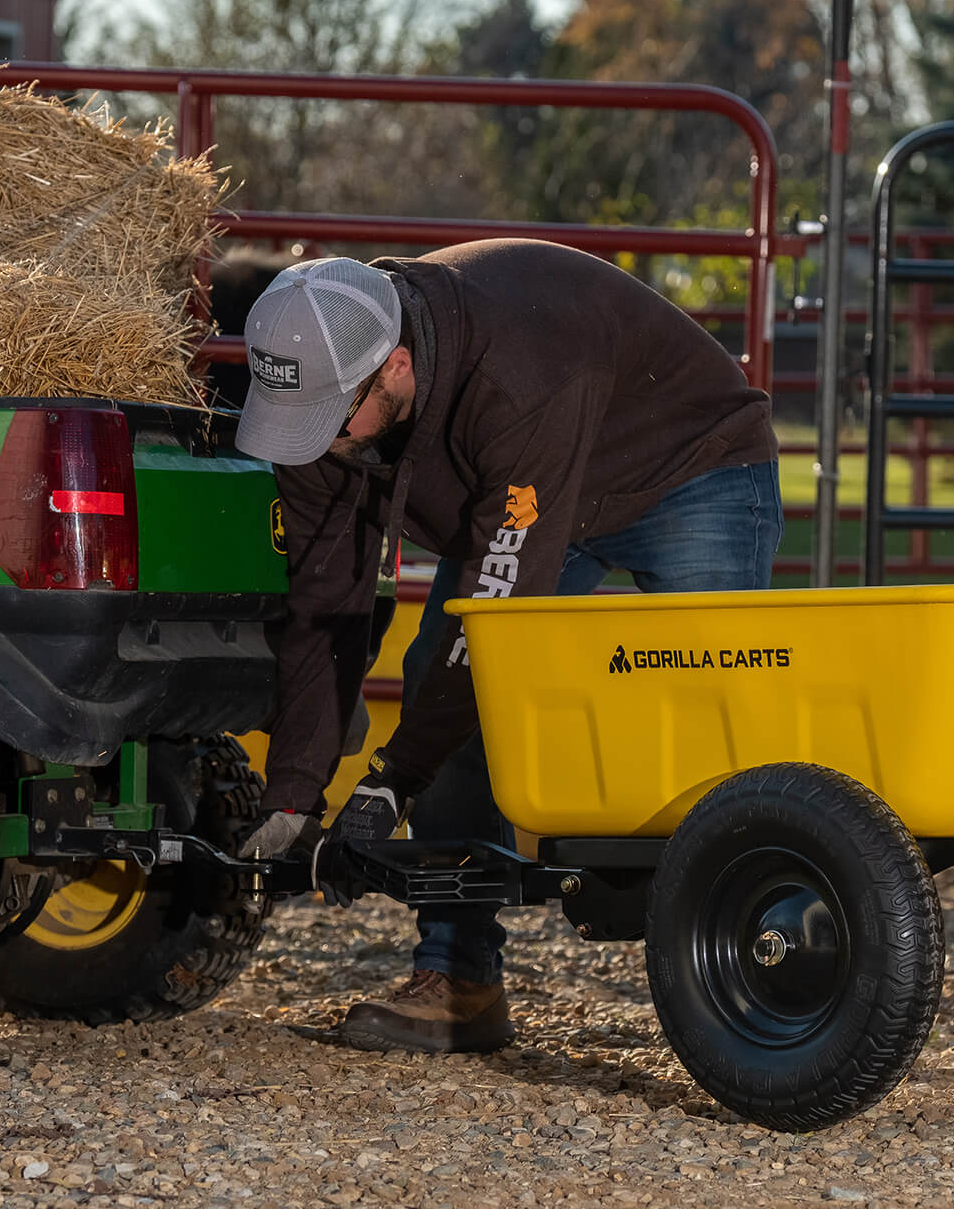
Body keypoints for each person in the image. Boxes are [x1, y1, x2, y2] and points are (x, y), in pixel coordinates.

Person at [235, 241, 782, 1054]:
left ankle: (763, 980)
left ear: (396, 367)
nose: (316, 441)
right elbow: (325, 606)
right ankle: (458, 980)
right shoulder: (324, 416)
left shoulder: (520, 369)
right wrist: (293, 792)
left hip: (682, 466)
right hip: (520, 491)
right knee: (440, 674)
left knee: (712, 706)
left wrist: (392, 780)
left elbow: (491, 626)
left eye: (331, 417)